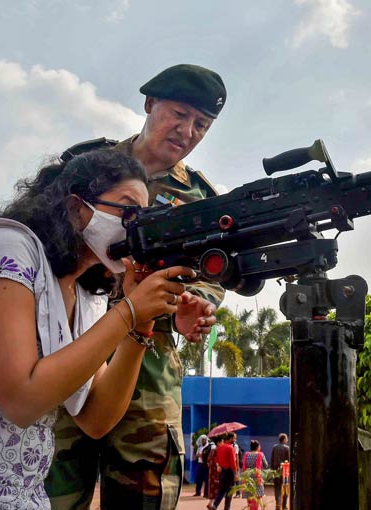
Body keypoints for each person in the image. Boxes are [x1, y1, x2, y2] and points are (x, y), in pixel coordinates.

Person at [0, 150, 214, 509]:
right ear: (76, 208)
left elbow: (96, 417)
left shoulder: (83, 294)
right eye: (127, 210)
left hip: (4, 483)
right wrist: (128, 311)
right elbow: (21, 400)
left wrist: (140, 325)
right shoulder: (7, 249)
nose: (135, 225)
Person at [46, 63, 227, 510]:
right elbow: (44, 243)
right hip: (68, 351)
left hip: (147, 370)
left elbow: (211, 277)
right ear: (149, 104)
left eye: (201, 124)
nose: (187, 131)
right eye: (179, 114)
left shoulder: (201, 200)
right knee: (46, 493)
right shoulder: (85, 168)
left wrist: (190, 304)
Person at [208, 433, 238, 510]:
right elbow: (232, 462)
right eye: (234, 438)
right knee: (230, 491)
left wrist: (219, 466)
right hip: (229, 471)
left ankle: (215, 505)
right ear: (230, 438)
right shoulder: (230, 448)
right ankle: (227, 508)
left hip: (222, 471)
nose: (235, 440)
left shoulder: (220, 448)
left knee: (221, 490)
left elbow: (217, 459)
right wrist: (235, 474)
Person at [241, 440, 269, 510]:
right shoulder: (260, 454)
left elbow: (244, 466)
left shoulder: (246, 454)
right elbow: (266, 465)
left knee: (250, 499)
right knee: (256, 499)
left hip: (248, 479)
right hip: (257, 479)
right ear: (257, 447)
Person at [270, 433, 290, 510]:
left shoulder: (274, 447)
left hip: (276, 471)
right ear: (284, 439)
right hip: (285, 472)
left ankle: (278, 504)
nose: (287, 440)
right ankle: (284, 505)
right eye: (287, 439)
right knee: (285, 488)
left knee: (277, 488)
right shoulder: (287, 448)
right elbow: (288, 460)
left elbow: (272, 460)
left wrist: (272, 470)